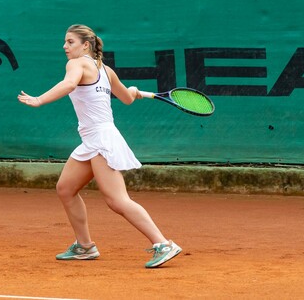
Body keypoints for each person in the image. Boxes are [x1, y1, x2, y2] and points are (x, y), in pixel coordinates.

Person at [17, 24, 182, 268]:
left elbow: (70, 84)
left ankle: (163, 243)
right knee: (65, 188)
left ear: (86, 45)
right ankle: (84, 246)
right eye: (65, 42)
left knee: (117, 200)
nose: (65, 46)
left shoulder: (77, 64)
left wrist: (40, 99)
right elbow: (126, 98)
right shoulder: (106, 70)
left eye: (70, 42)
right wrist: (134, 91)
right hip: (92, 139)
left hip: (101, 139)